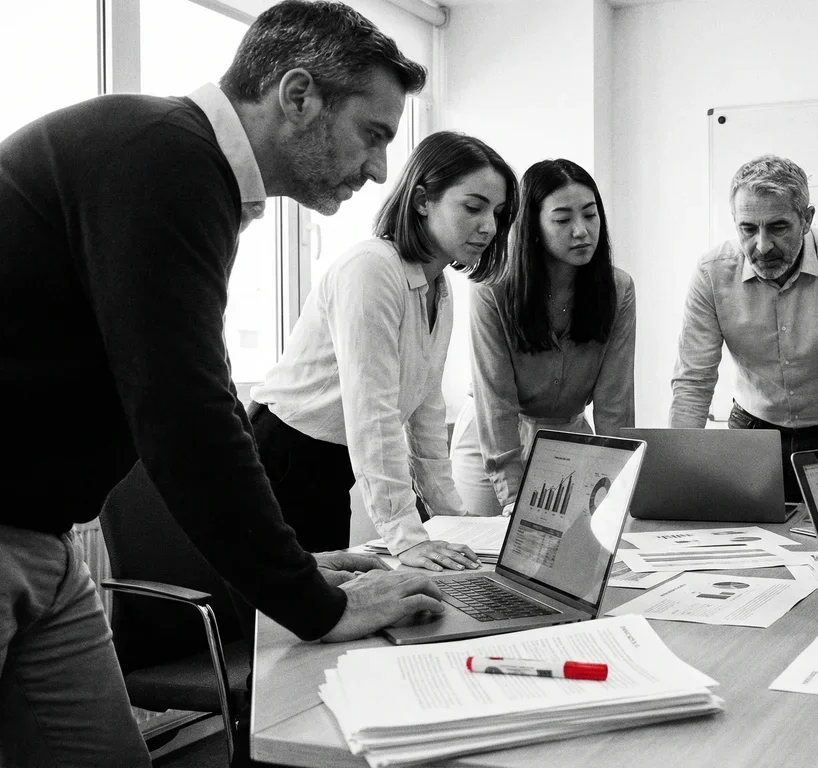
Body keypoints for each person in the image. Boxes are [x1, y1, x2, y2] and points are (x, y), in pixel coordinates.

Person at [0, 3, 448, 765]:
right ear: (298, 96)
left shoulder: (182, 166)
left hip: (38, 539)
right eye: (372, 135)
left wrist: (298, 569)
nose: (379, 170)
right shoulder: (161, 159)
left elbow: (186, 395)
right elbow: (184, 415)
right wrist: (314, 603)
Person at [251, 131, 515, 570]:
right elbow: (372, 413)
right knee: (302, 625)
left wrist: (451, 520)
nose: (488, 226)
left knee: (332, 615)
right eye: (473, 207)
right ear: (422, 200)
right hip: (283, 455)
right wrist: (406, 536)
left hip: (329, 463)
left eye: (498, 213)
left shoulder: (438, 288)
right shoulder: (372, 269)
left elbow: (425, 411)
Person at [670, 154, 818, 502]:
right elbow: (693, 381)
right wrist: (676, 477)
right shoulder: (712, 272)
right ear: (735, 222)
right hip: (752, 430)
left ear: (806, 219)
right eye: (748, 229)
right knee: (747, 543)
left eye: (778, 227)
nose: (762, 246)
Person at [450, 159, 635, 515]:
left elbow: (615, 402)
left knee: (560, 558)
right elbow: (496, 401)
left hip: (567, 439)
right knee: (481, 552)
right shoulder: (493, 290)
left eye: (590, 215)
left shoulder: (618, 289)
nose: (581, 231)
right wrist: (511, 494)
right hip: (492, 443)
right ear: (533, 227)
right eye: (563, 219)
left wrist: (618, 480)